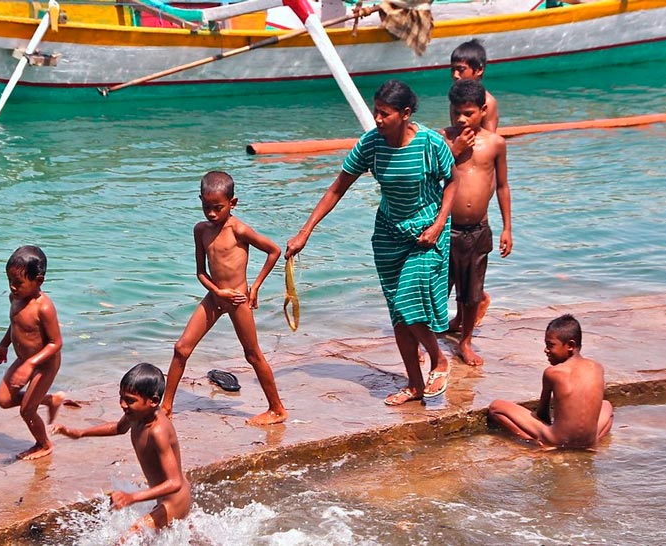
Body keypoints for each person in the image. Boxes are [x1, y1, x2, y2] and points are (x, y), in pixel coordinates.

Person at [286, 79, 457, 406]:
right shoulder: (370, 144)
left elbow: (452, 183)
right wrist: (305, 231)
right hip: (389, 235)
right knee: (399, 316)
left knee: (409, 300)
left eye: (385, 114)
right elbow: (337, 187)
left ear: (406, 114)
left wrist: (438, 225)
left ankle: (439, 359)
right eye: (376, 112)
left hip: (426, 233)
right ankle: (415, 384)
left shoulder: (431, 144)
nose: (377, 119)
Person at [161, 171, 288, 426]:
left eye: (217, 208)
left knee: (252, 354)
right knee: (181, 348)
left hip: (238, 299)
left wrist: (255, 288)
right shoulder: (201, 230)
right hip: (215, 296)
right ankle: (166, 406)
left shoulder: (238, 229)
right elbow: (200, 271)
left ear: (233, 203)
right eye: (206, 207)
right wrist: (217, 291)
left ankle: (277, 409)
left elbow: (274, 251)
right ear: (200, 200)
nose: (211, 214)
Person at [52, 363, 192, 539]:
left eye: (130, 400)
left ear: (153, 402)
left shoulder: (158, 431)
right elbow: (118, 428)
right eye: (121, 398)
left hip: (174, 502)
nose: (122, 405)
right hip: (164, 499)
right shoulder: (136, 415)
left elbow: (174, 483)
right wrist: (80, 433)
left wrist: (133, 497)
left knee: (128, 538)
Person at [441, 79, 512, 367]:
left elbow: (503, 186)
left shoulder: (495, 144)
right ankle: (427, 339)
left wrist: (507, 227)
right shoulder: (442, 139)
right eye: (456, 112)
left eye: (467, 113)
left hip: (477, 230)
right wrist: (454, 150)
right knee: (436, 288)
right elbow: (432, 176)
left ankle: (465, 342)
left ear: (483, 110)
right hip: (445, 228)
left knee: (471, 293)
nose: (460, 118)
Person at [488, 314, 614, 449]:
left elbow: (543, 414)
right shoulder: (597, 368)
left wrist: (545, 427)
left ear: (570, 345)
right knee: (607, 406)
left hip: (557, 440)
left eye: (551, 345)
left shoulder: (553, 373)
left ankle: (541, 443)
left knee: (496, 407)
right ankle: (591, 443)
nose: (546, 350)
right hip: (589, 442)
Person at [0, 245, 65, 460]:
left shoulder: (44, 307)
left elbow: (56, 343)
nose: (12, 287)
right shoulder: (15, 299)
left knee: (26, 410)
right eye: (9, 281)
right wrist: (3, 346)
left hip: (45, 364)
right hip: (24, 359)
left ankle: (44, 444)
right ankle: (49, 400)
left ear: (38, 280)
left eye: (18, 283)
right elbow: (15, 325)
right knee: (3, 398)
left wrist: (31, 364)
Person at [450, 38, 499, 132]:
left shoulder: (488, 102)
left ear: (479, 70)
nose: (455, 75)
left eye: (461, 70)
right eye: (453, 70)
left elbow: (490, 140)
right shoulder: (455, 99)